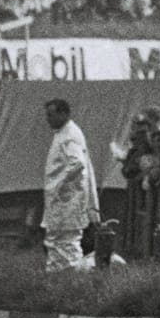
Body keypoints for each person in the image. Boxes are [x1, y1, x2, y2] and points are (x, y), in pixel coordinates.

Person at [42, 98, 100, 272]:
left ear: (64, 114)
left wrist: (60, 185)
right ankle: (57, 272)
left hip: (67, 199)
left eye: (51, 115)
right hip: (62, 199)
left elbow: (77, 163)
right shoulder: (63, 133)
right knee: (57, 240)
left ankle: (71, 273)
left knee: (66, 241)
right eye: (47, 115)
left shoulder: (69, 136)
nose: (48, 119)